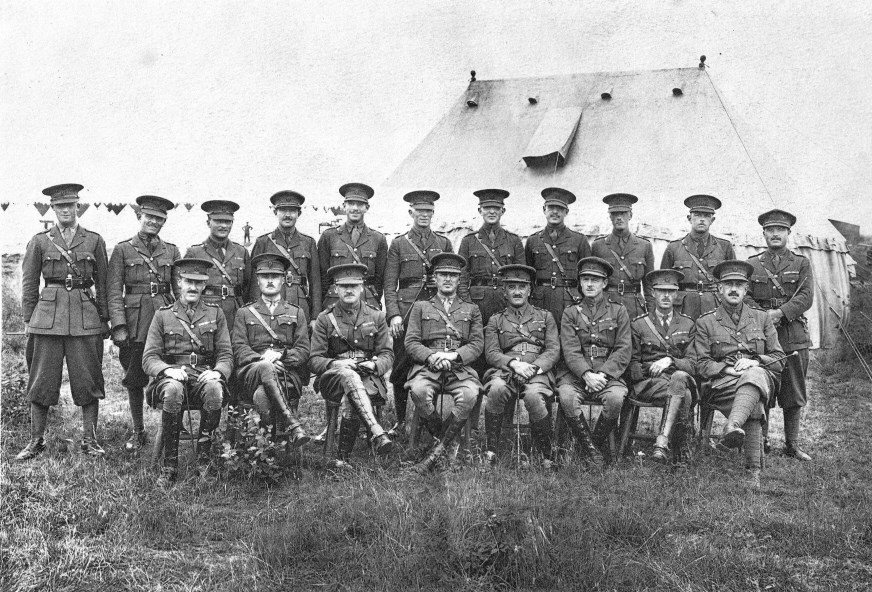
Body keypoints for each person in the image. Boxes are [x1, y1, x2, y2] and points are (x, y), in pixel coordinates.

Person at [17, 183, 110, 461]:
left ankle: (90, 440)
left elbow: (103, 283)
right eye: (59, 206)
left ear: (78, 207)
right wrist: (28, 320)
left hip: (85, 317)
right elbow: (29, 283)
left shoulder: (94, 240)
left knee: (88, 379)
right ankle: (36, 441)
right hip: (47, 318)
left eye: (70, 205)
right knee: (41, 379)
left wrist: (105, 319)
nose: (65, 210)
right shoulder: (40, 241)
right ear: (52, 208)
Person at [693, 260, 786, 486]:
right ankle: (753, 472)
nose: (734, 289)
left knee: (753, 377)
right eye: (728, 284)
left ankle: (731, 427)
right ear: (720, 289)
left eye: (739, 284)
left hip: (758, 378)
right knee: (753, 399)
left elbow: (778, 359)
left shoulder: (762, 318)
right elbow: (700, 363)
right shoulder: (706, 322)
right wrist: (726, 368)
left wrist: (754, 362)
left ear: (746, 290)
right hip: (721, 384)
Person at [142, 258, 233, 485]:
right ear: (179, 282)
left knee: (214, 389)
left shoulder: (215, 314)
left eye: (198, 283)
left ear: (204, 286)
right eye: (188, 281)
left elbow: (226, 354)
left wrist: (218, 373)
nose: (193, 287)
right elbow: (149, 357)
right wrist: (166, 370)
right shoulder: (163, 315)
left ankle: (204, 462)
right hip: (172, 377)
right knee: (172, 390)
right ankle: (170, 465)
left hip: (203, 374)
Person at [108, 195, 180, 452]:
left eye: (159, 218)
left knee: (170, 373)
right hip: (135, 322)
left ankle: (171, 426)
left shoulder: (171, 250)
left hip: (165, 321)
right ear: (140, 216)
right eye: (150, 217)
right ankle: (139, 430)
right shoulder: (123, 249)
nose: (154, 222)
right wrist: (119, 325)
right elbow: (114, 291)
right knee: (135, 376)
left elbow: (179, 290)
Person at [383, 190, 453, 438]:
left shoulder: (443, 243)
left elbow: (451, 278)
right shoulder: (399, 243)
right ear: (410, 212)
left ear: (433, 213)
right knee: (401, 364)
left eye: (428, 211)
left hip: (434, 310)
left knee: (433, 358)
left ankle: (431, 417)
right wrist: (393, 315)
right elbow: (390, 284)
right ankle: (401, 420)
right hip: (406, 309)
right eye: (419, 211)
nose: (424, 215)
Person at [405, 253, 484, 473]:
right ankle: (447, 443)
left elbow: (477, 344)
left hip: (459, 368)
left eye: (452, 275)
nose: (447, 279)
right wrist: (431, 356)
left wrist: (455, 356)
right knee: (419, 391)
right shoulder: (421, 307)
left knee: (469, 395)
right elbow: (411, 342)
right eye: (442, 275)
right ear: (435, 278)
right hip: (428, 367)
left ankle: (433, 454)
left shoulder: (472, 309)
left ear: (459, 280)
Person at [309, 263, 394, 465]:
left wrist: (375, 366)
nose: (349, 290)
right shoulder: (324, 319)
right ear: (335, 289)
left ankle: (342, 458)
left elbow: (387, 354)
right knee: (349, 376)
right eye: (343, 286)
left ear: (362, 287)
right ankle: (377, 432)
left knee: (353, 389)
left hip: (368, 376)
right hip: (333, 379)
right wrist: (336, 364)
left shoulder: (376, 316)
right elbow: (314, 359)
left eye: (353, 286)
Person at [747, 209, 813, 461]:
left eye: (780, 230)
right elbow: (747, 295)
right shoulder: (752, 264)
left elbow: (806, 297)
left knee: (793, 389)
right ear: (763, 233)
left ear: (788, 233)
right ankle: (759, 440)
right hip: (762, 335)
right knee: (762, 386)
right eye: (770, 230)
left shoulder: (801, 263)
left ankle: (792, 445)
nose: (775, 234)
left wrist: (780, 314)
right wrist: (764, 317)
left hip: (792, 333)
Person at [482, 264, 559, 467]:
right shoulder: (495, 320)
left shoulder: (545, 317)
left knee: (534, 396)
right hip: (506, 371)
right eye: (512, 287)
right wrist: (514, 365)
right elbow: (491, 353)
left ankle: (547, 453)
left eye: (522, 287)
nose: (517, 291)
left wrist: (532, 369)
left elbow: (552, 351)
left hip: (537, 372)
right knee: (496, 389)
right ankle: (491, 450)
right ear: (504, 291)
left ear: (530, 290)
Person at [231, 253, 311, 445]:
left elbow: (303, 350)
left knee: (262, 395)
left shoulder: (296, 312)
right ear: (258, 280)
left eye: (274, 276)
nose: (269, 281)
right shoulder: (244, 312)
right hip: (251, 373)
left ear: (283, 280)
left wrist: (281, 357)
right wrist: (263, 360)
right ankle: (290, 426)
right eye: (265, 277)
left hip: (286, 374)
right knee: (265, 368)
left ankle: (264, 448)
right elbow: (239, 347)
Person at [558, 257, 632, 465]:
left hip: (607, 374)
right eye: (585, 279)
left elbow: (623, 348)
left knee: (616, 398)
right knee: (566, 396)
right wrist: (586, 374)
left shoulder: (619, 311)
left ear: (605, 283)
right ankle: (592, 452)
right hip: (576, 374)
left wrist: (603, 374)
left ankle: (592, 447)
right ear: (580, 282)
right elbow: (570, 350)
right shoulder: (571, 313)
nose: (590, 284)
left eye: (595, 280)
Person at [628, 269, 696, 463]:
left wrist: (671, 362)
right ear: (653, 293)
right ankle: (680, 451)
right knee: (685, 393)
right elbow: (633, 365)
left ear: (677, 294)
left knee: (679, 379)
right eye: (661, 291)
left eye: (671, 291)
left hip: (677, 379)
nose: (666, 296)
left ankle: (663, 444)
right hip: (650, 384)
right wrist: (652, 366)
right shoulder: (639, 325)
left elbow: (693, 364)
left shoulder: (688, 324)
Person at [661, 195, 736, 320]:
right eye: (697, 215)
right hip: (683, 308)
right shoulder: (674, 248)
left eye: (706, 216)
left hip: (715, 306)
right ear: (689, 218)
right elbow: (664, 284)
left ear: (712, 220)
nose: (702, 219)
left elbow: (733, 281)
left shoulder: (724, 247)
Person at [525, 187, 591, 326]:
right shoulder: (533, 240)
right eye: (551, 207)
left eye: (560, 208)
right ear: (544, 210)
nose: (555, 212)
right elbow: (528, 276)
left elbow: (586, 275)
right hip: (540, 300)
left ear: (566, 212)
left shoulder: (579, 240)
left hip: (570, 300)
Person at [250, 191, 321, 322]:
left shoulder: (308, 242)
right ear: (275, 212)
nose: (287, 215)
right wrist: (255, 311)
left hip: (301, 303)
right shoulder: (263, 242)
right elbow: (255, 281)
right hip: (271, 303)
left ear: (299, 214)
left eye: (292, 211)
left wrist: (315, 317)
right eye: (283, 210)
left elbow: (316, 282)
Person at [317, 182, 387, 311]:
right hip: (335, 300)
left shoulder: (378, 239)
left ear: (367, 207)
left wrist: (373, 297)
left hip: (367, 301)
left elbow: (380, 278)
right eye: (351, 203)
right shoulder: (329, 236)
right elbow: (323, 276)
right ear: (344, 206)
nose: (355, 208)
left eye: (360, 204)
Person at [184, 200, 250, 328]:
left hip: (234, 312)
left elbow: (248, 285)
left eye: (227, 222)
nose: (223, 226)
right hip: (205, 311)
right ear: (208, 222)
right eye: (218, 221)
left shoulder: (241, 251)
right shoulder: (195, 252)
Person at [591, 193, 655, 318]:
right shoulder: (598, 246)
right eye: (615, 214)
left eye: (623, 213)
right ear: (610, 216)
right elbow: (593, 281)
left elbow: (649, 285)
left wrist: (652, 313)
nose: (619, 217)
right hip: (606, 306)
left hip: (634, 307)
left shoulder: (644, 245)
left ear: (630, 215)